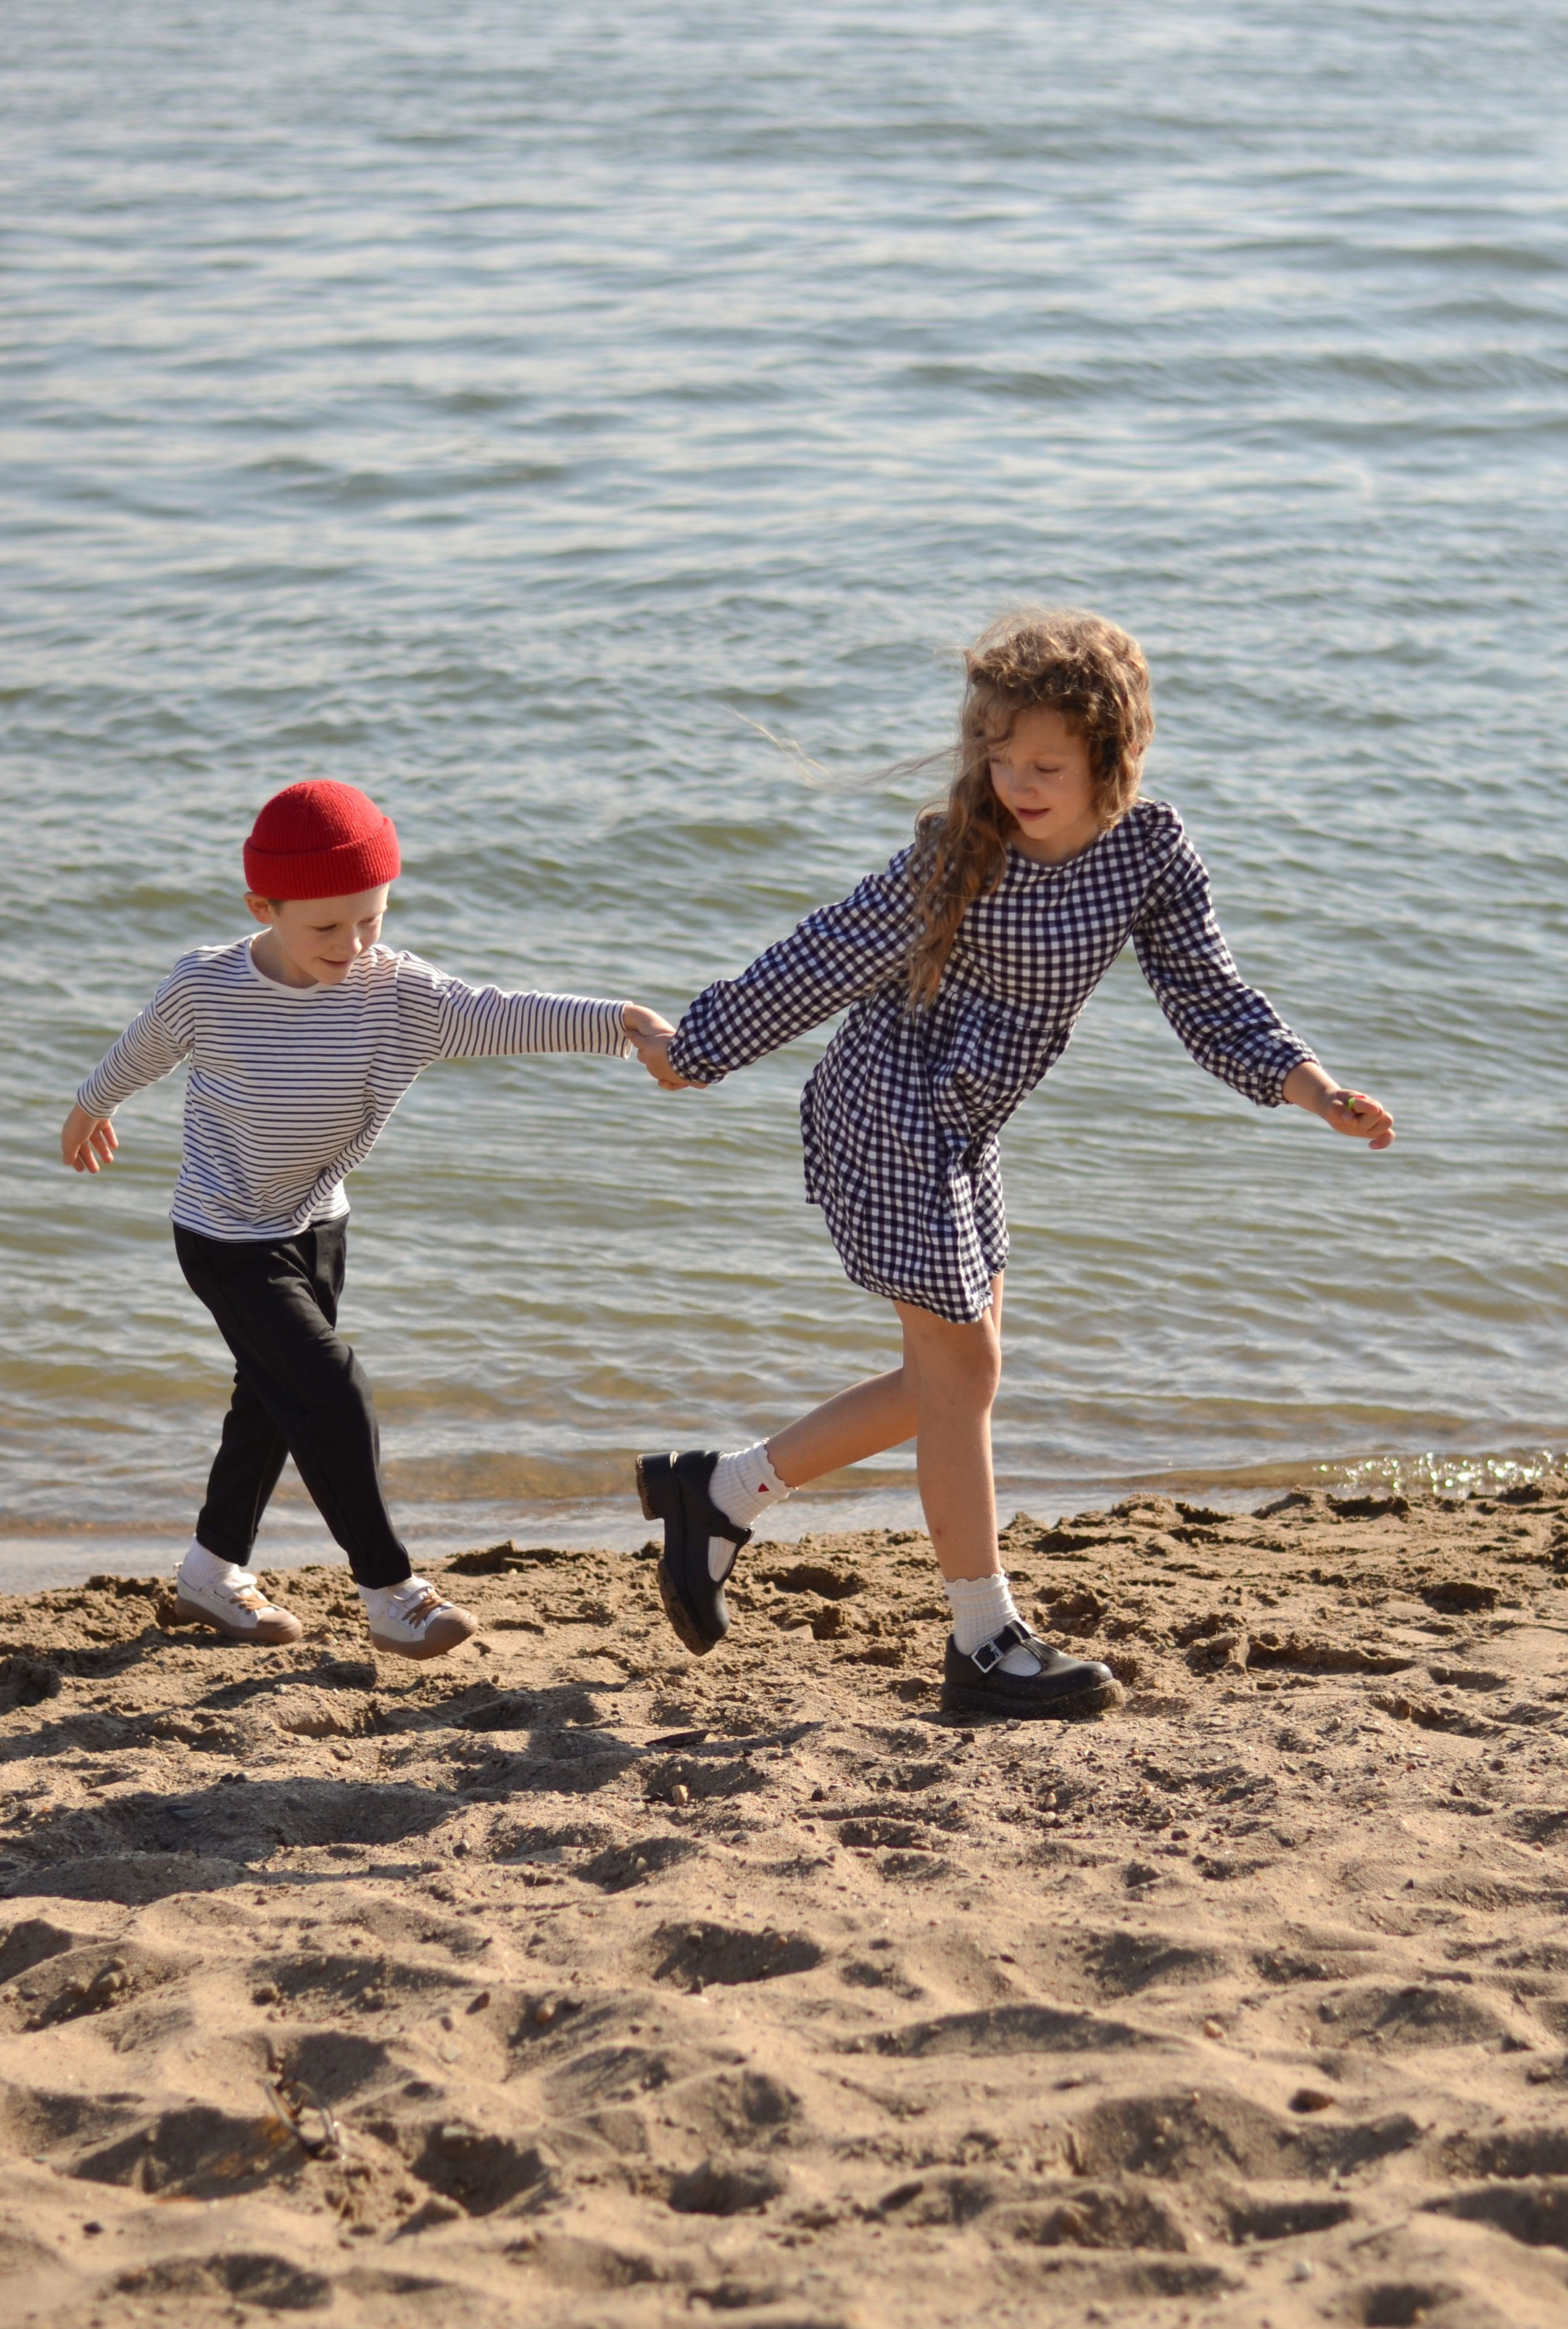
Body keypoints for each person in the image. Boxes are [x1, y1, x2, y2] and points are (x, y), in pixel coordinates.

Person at [629, 609, 1394, 1720]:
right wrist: (698, 1051)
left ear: (1110, 761)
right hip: (887, 1110)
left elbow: (1208, 994)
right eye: (1000, 757)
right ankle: (983, 1641)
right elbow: (828, 950)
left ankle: (721, 1490)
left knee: (954, 1379)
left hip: (967, 1125)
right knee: (964, 1377)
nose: (1018, 783)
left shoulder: (1148, 854)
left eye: (1047, 765)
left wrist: (1311, 1086)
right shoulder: (959, 852)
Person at [61, 778, 669, 1662]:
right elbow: (140, 1048)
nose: (353, 945)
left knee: (270, 1404)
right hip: (226, 1237)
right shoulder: (208, 986)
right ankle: (391, 1592)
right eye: (326, 928)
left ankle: (209, 1574)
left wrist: (621, 1022)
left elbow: (500, 1015)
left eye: (371, 919)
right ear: (262, 907)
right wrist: (90, 1106)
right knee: (331, 1387)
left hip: (317, 1228)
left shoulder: (398, 993)